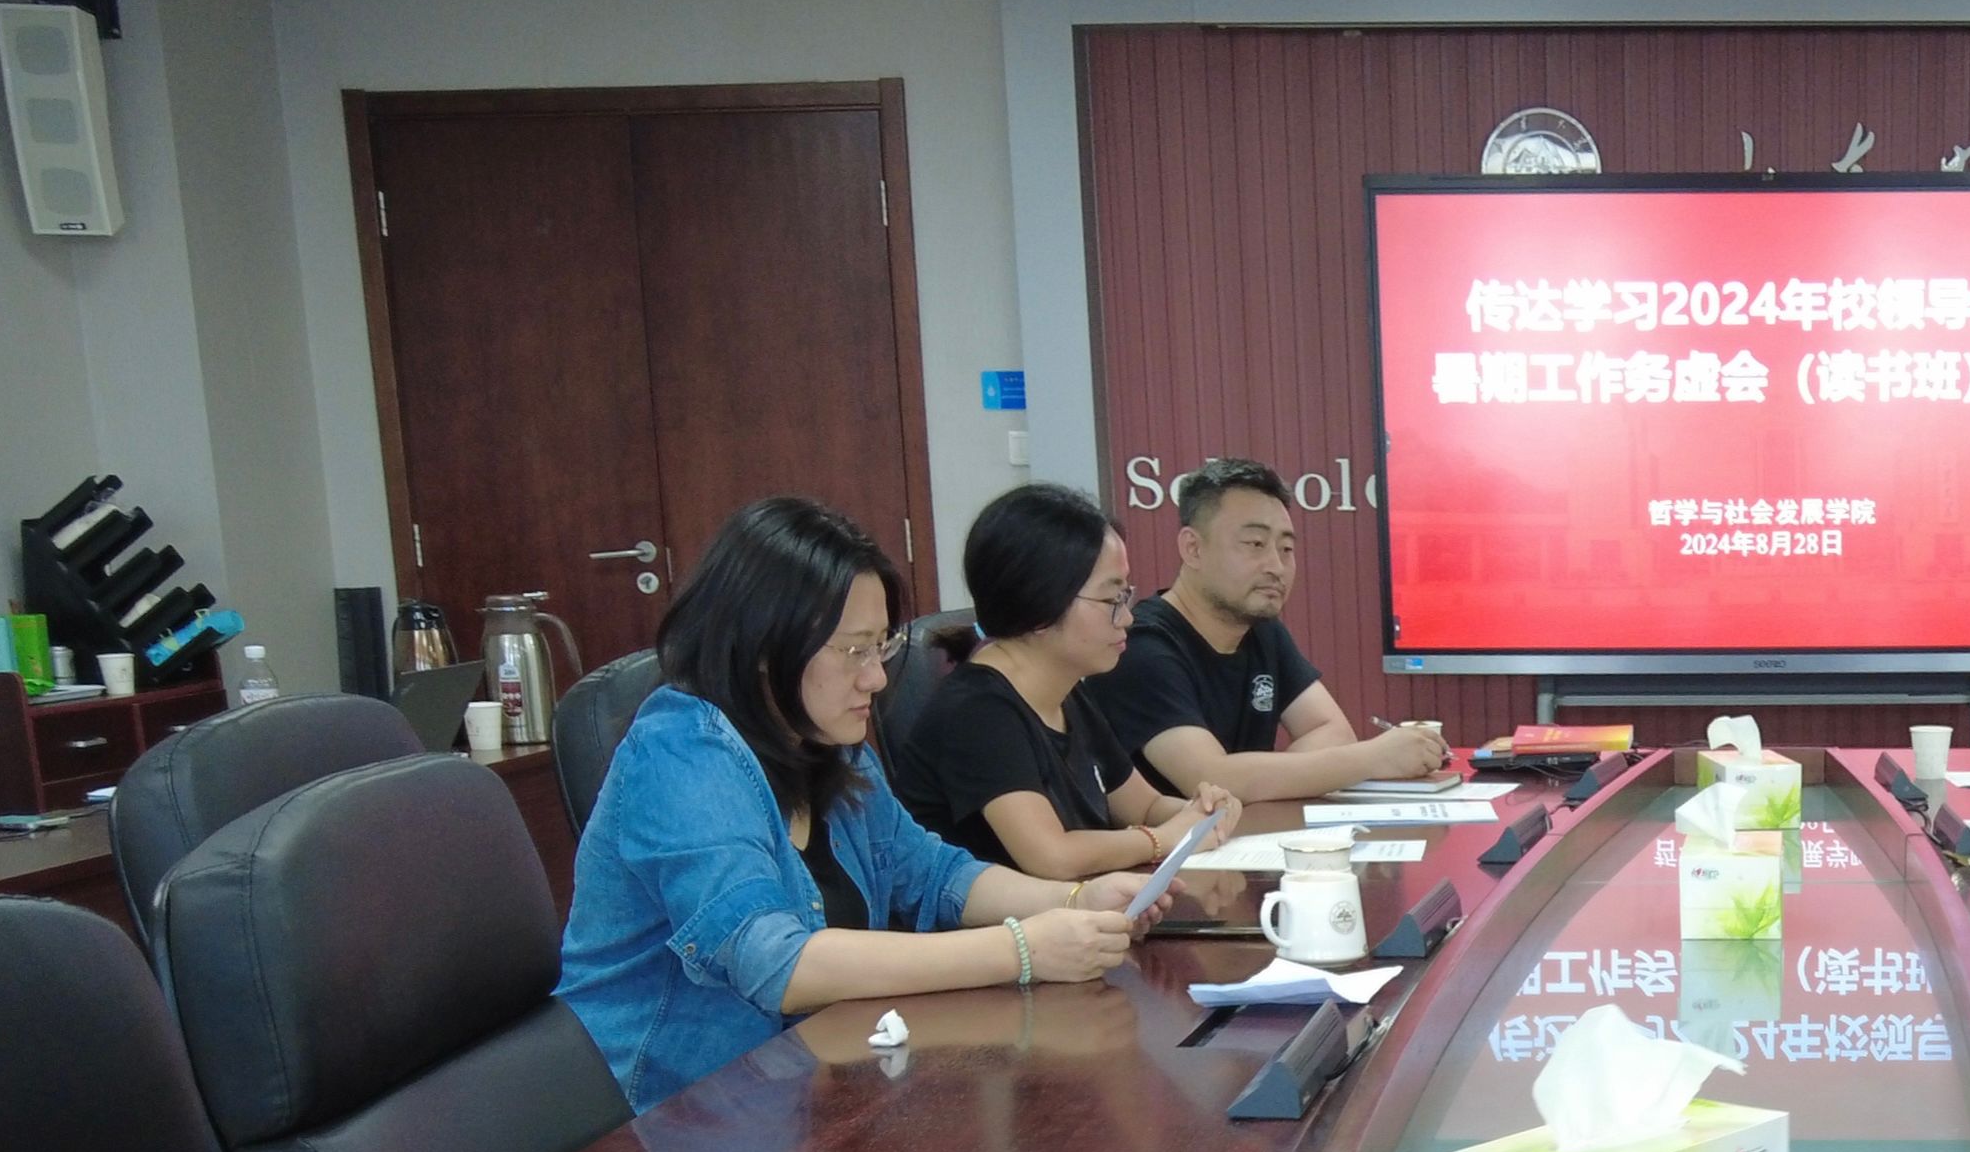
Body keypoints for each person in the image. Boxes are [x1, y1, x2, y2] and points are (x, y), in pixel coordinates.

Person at [558, 495, 1150, 1111]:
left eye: (881, 647)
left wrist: (1073, 900)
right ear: (765, 648)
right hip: (671, 1118)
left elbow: (931, 873)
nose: (877, 677)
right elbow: (774, 961)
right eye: (854, 651)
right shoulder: (680, 754)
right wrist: (1021, 950)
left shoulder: (827, 743)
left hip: (808, 1082)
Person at [904, 482, 1243, 881]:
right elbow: (1052, 856)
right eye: (1111, 600)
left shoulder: (1066, 693)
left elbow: (1144, 806)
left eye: (1126, 596)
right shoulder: (978, 713)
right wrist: (1163, 839)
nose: (1127, 618)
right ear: (1040, 604)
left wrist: (1202, 812)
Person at [1086, 456, 1445, 806]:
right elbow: (1210, 779)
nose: (1276, 565)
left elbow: (1334, 731)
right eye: (1255, 544)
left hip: (1247, 838)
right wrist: (1374, 758)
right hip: (1166, 845)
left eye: (1286, 548)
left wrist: (1258, 781)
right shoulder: (1141, 646)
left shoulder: (1261, 630)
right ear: (1193, 548)